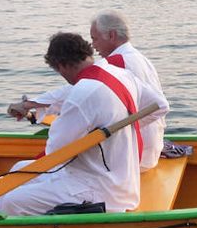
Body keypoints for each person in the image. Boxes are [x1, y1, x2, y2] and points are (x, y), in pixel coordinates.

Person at [0, 32, 168, 216]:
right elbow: (160, 106)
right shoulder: (119, 74)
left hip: (100, 188)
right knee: (19, 170)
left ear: (61, 66)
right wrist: (119, 133)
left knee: (12, 201)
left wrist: (114, 133)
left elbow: (55, 152)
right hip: (121, 179)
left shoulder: (83, 94)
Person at [32, 10, 168, 171]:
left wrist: (32, 104)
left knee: (50, 163)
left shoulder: (115, 63)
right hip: (152, 149)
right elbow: (161, 106)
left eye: (94, 39)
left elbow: (76, 92)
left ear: (111, 35)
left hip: (135, 158)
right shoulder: (139, 58)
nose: (93, 46)